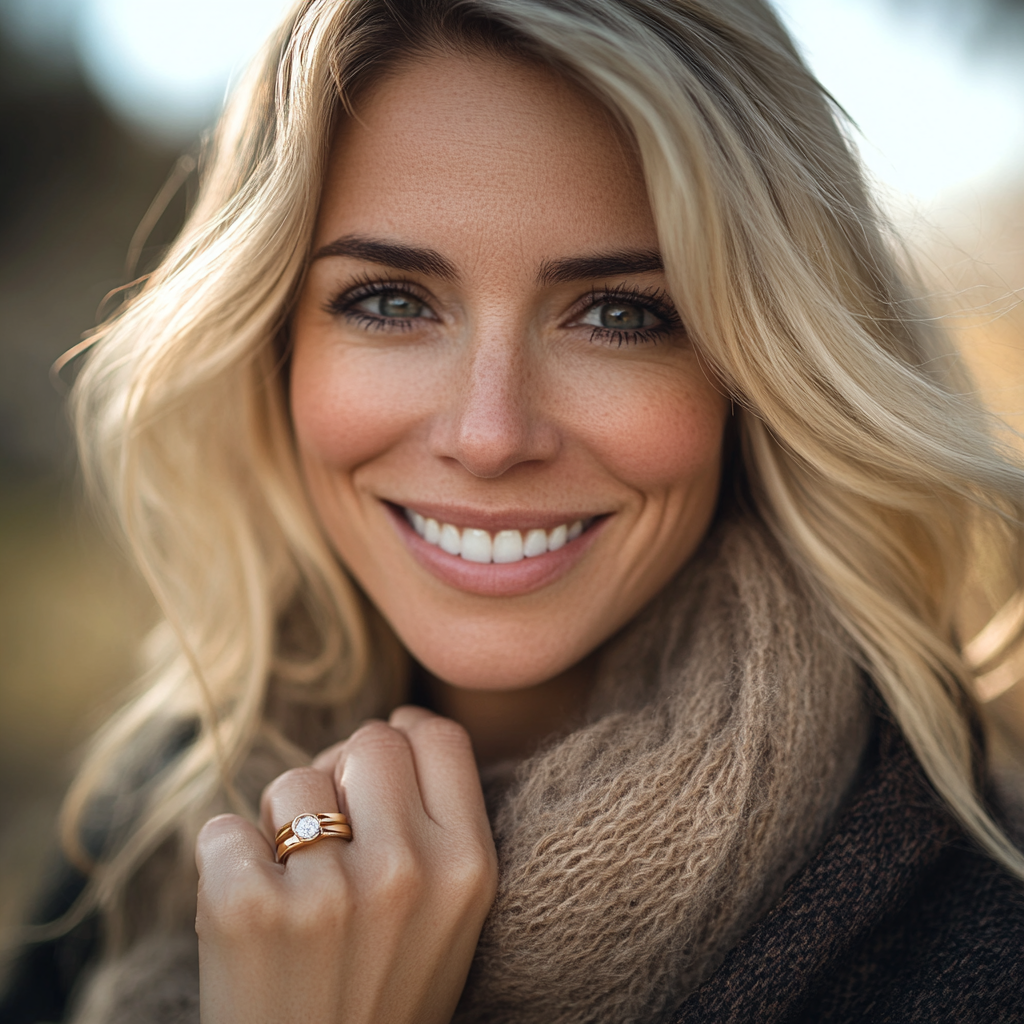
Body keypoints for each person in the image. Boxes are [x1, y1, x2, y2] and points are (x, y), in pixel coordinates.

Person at [3, 0, 1024, 1021]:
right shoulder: (143, 833)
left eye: (620, 315)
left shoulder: (982, 937)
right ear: (273, 348)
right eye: (391, 301)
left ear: (760, 372)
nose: (490, 435)